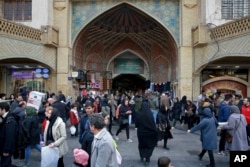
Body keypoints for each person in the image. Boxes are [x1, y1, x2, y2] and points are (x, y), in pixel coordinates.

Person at [135, 101, 158, 166]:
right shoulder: (150, 113)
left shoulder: (139, 113)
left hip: (141, 132)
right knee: (149, 145)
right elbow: (153, 123)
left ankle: (142, 155)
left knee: (142, 144)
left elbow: (137, 123)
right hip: (149, 132)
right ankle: (147, 158)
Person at [0, 102, 19, 167]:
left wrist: (6, 150)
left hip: (7, 148)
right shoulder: (6, 118)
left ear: (3, 110)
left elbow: (9, 137)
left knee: (5, 164)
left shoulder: (10, 121)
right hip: (4, 146)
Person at [79, 101, 94, 167]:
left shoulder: (96, 117)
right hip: (84, 140)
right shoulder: (83, 118)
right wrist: (80, 139)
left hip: (93, 140)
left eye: (89, 108)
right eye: (86, 108)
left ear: (93, 108)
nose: (87, 110)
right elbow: (81, 129)